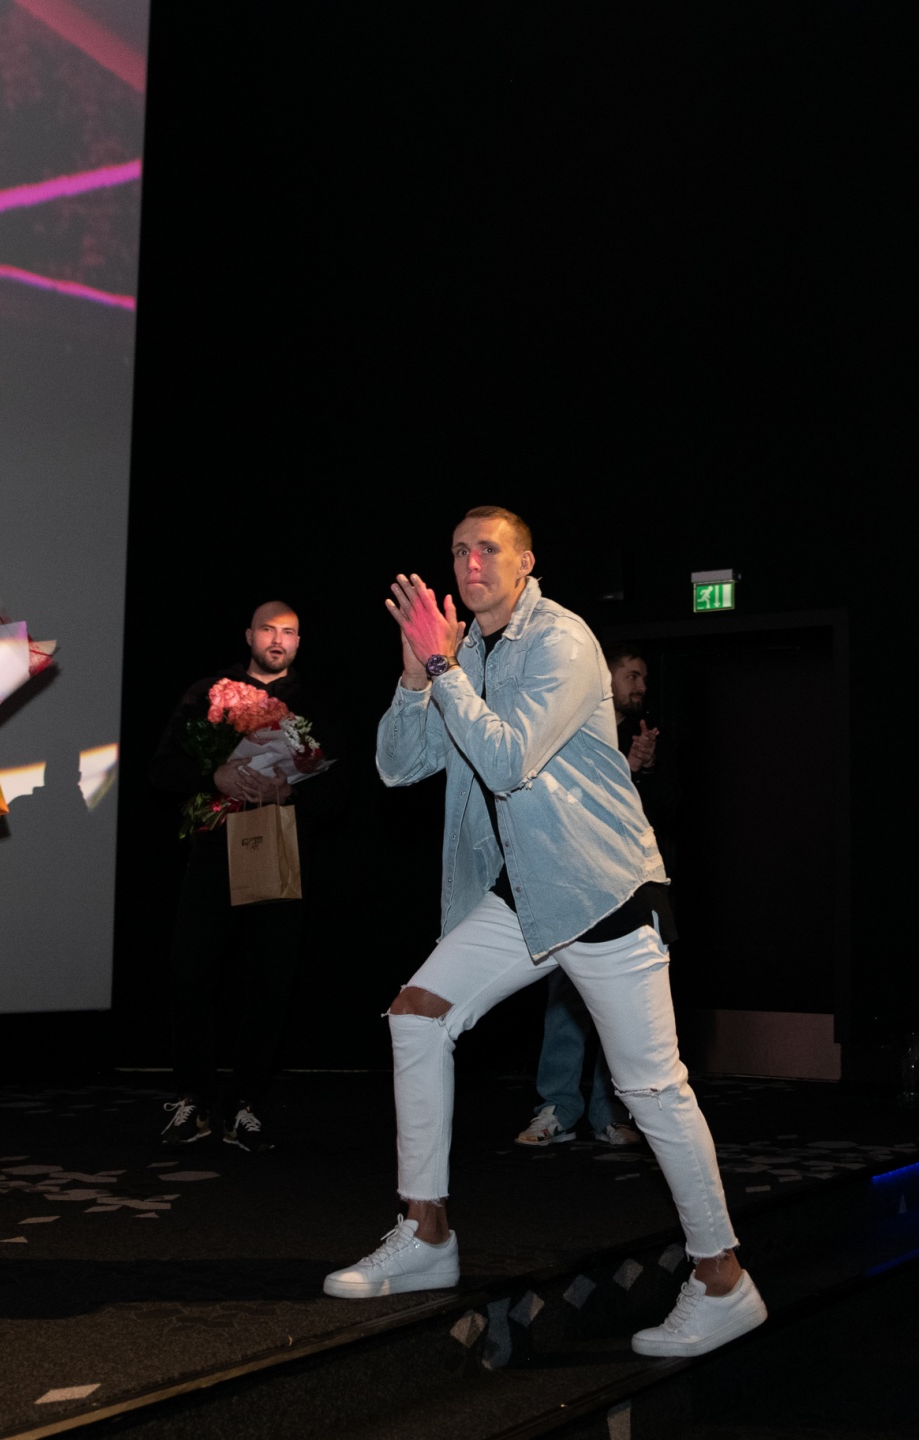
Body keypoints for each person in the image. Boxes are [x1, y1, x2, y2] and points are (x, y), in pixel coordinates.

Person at [325, 506, 765, 1360]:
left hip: (602, 890)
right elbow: (398, 765)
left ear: (526, 563)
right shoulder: (470, 654)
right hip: (525, 892)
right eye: (458, 550)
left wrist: (444, 665)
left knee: (652, 1091)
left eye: (487, 548)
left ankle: (723, 1280)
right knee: (418, 1014)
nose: (469, 562)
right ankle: (426, 1232)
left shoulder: (562, 640)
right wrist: (415, 677)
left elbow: (505, 760)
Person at [149, 600, 347, 1152]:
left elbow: (337, 795)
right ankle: (194, 1097)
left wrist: (289, 790)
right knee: (189, 972)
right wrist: (213, 774)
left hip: (280, 849)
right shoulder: (208, 693)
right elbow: (162, 770)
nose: (278, 639)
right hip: (214, 845)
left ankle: (245, 1104)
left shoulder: (316, 704)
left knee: (270, 981)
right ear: (249, 635)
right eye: (268, 629)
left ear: (299, 641)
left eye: (290, 632)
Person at [513, 645, 662, 1149]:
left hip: (626, 888)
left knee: (618, 1008)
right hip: (571, 881)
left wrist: (640, 769)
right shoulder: (574, 724)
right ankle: (556, 1108)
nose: (640, 686)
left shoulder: (645, 736)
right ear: (605, 676)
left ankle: (609, 1112)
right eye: (632, 675)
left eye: (644, 678)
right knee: (565, 998)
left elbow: (663, 811)